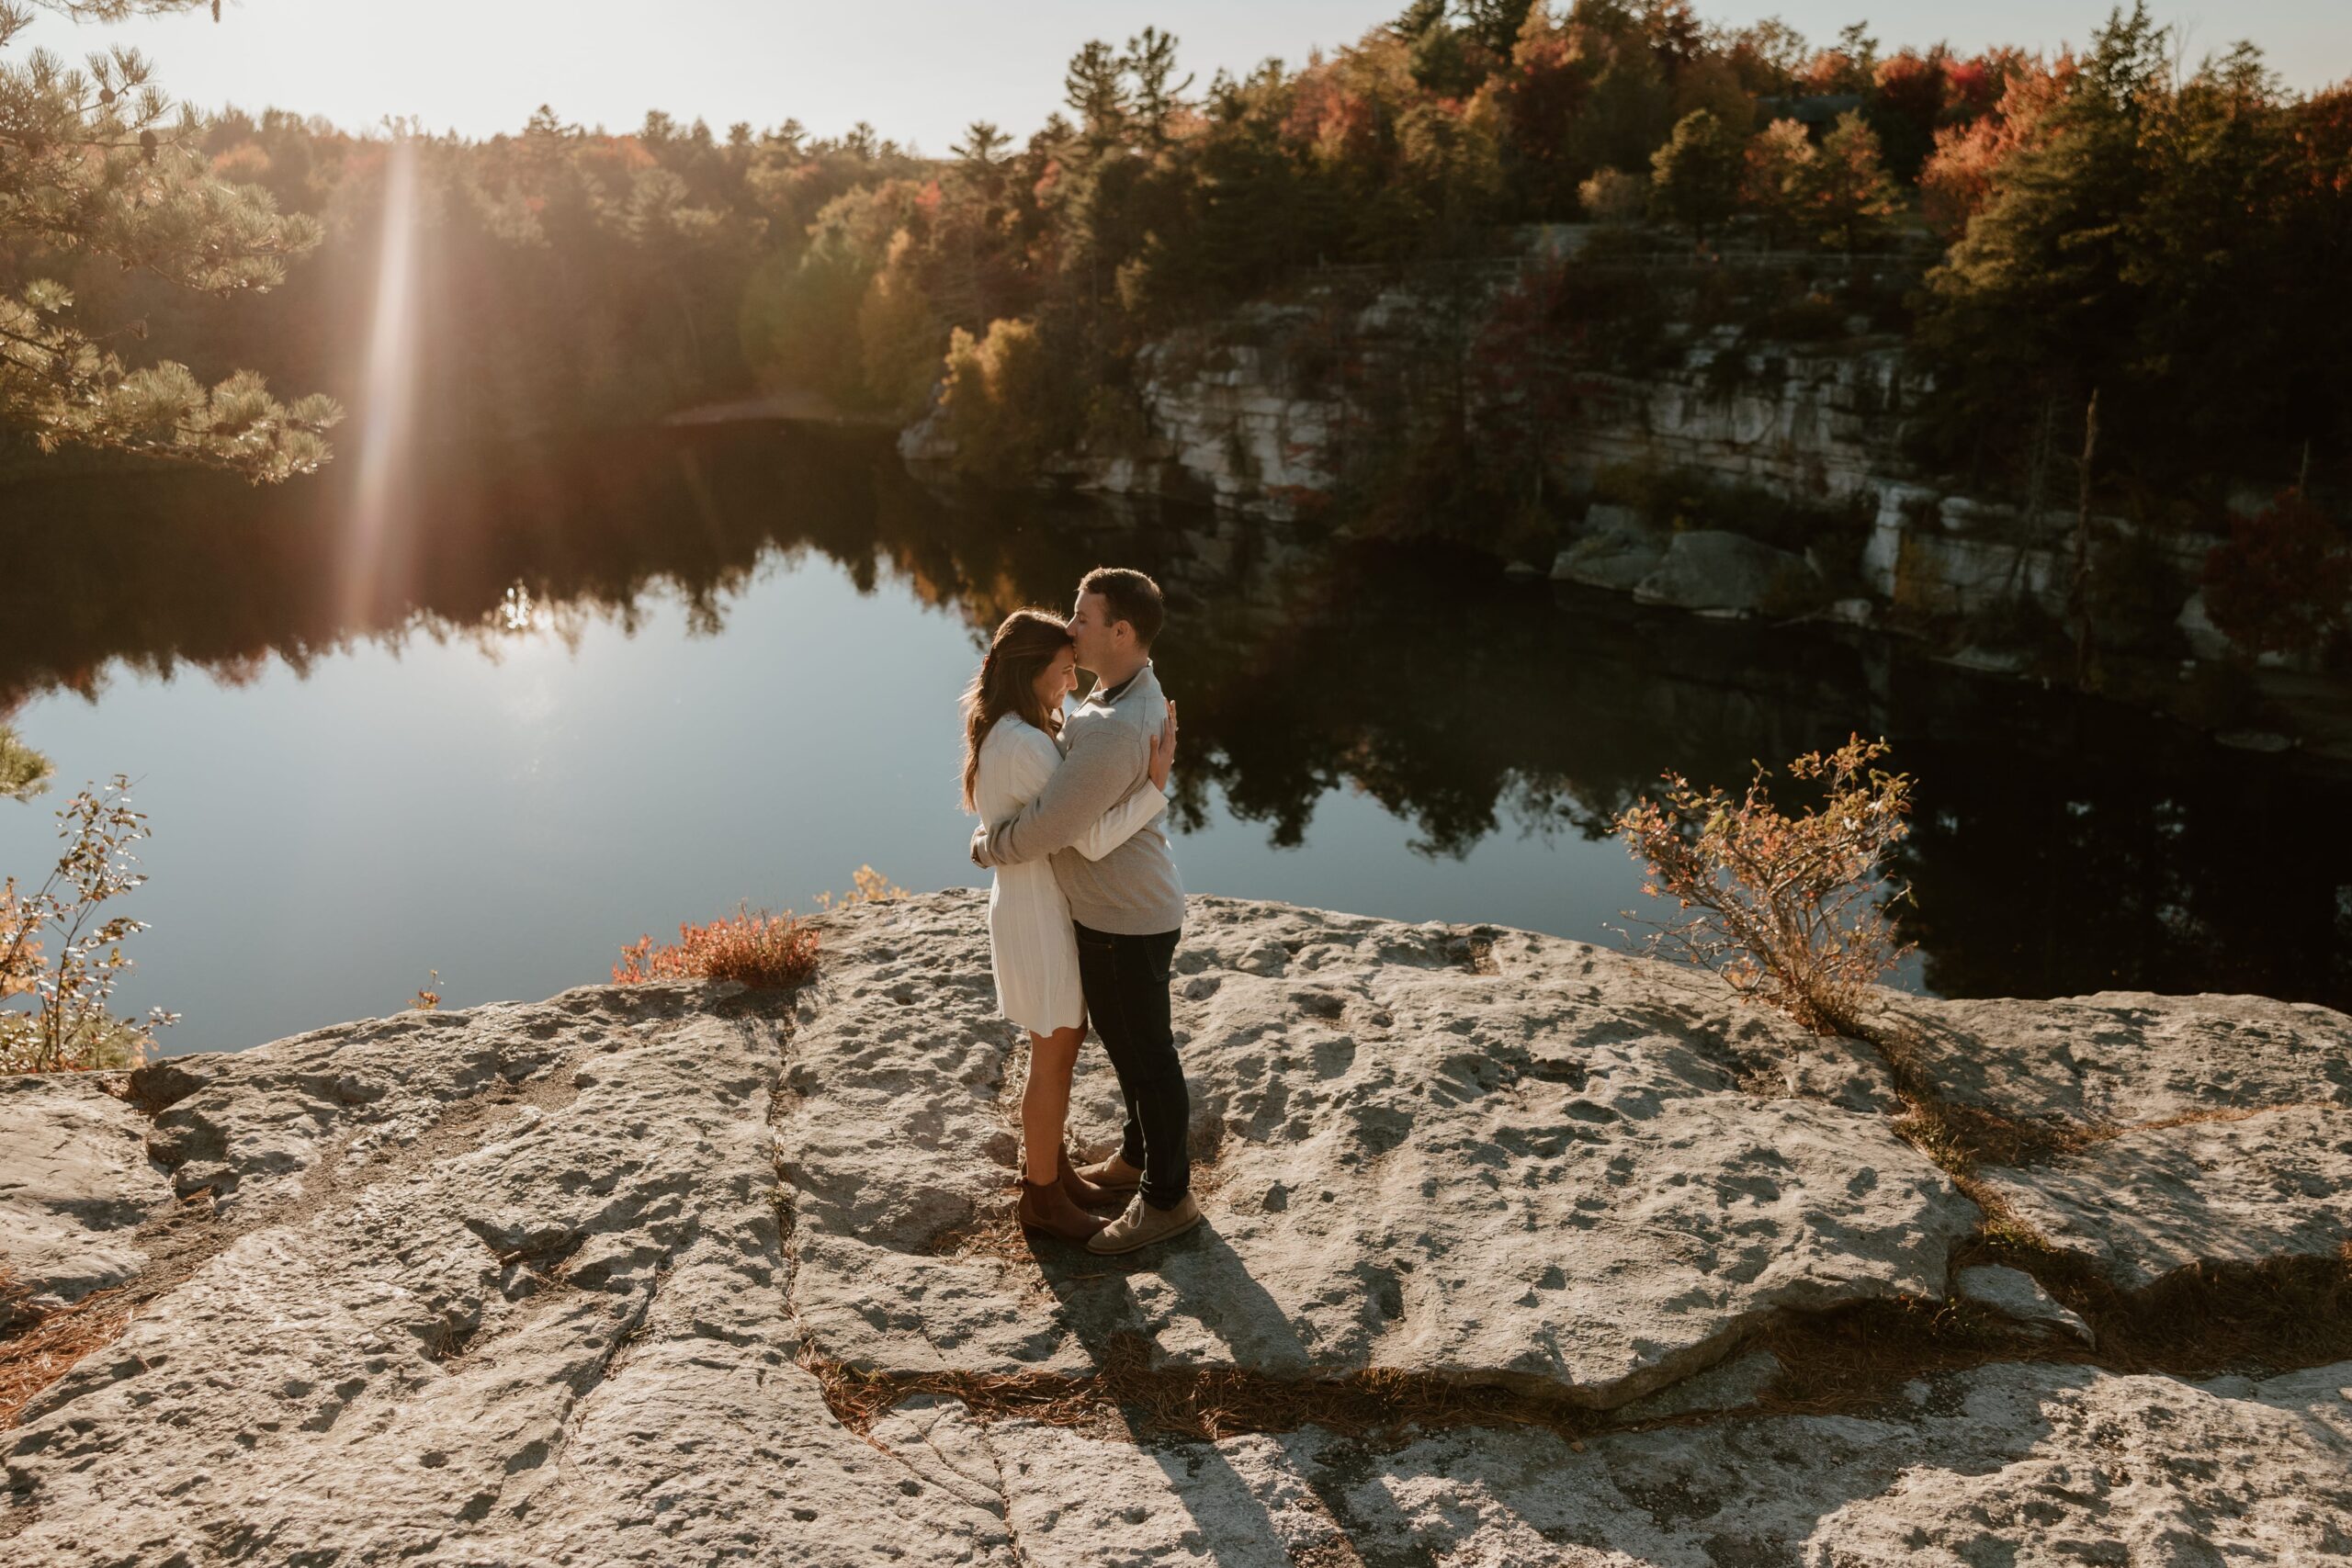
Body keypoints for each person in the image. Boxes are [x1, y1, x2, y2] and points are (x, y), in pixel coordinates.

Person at [971, 567, 1196, 1257]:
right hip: (1116, 910)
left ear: (1121, 632)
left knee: (1147, 1056)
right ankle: (1135, 1157)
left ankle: (1167, 1200)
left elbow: (1050, 830)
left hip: (1124, 916)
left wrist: (988, 844)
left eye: (1083, 618)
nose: (1071, 628)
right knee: (1131, 1048)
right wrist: (1155, 784)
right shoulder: (1126, 690)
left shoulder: (1109, 728)